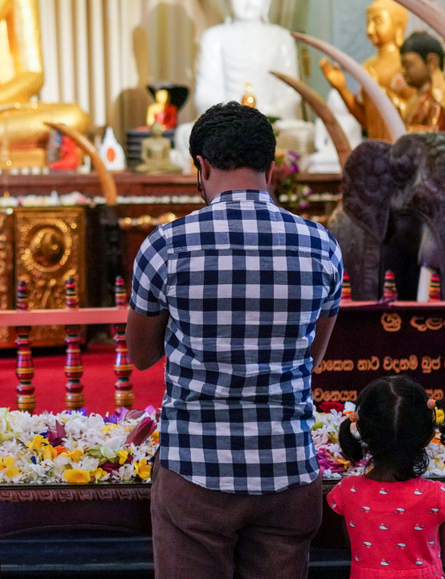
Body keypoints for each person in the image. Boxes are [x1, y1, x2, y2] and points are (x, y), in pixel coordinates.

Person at [127, 101, 343, 579]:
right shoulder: (321, 245)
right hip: (288, 467)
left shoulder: (166, 245)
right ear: (271, 169)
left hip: (196, 468)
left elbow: (141, 356)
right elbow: (314, 355)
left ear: (201, 167)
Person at [329, 376, 445, 579]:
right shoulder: (440, 496)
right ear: (428, 434)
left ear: (362, 432)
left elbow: (356, 548)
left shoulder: (347, 492)